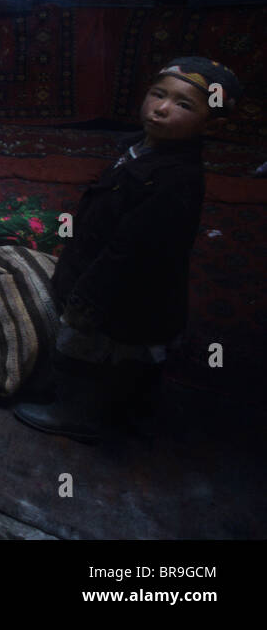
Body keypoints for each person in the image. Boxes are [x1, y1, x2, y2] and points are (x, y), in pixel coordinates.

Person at [13, 57, 242, 441]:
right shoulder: (143, 149)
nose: (162, 108)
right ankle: (110, 395)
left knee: (94, 348)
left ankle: (79, 413)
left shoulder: (172, 183)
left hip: (120, 293)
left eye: (184, 105)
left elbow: (131, 254)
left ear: (210, 122)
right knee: (103, 351)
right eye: (158, 94)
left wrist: (88, 298)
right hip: (98, 270)